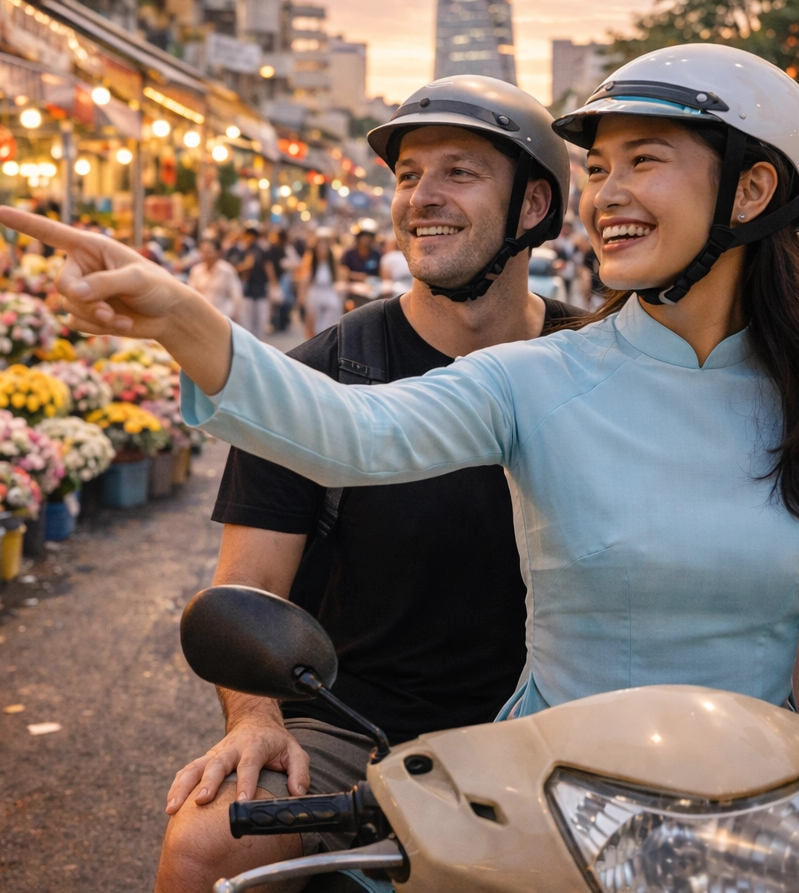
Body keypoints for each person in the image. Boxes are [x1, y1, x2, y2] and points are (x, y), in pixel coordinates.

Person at [0, 42, 799, 843]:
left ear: (751, 192)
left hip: (756, 810)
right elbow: (350, 431)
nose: (606, 195)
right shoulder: (537, 376)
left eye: (645, 162)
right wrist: (184, 317)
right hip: (554, 807)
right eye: (599, 168)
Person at [153, 77, 577, 893]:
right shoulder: (324, 375)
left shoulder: (595, 368)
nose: (422, 197)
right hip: (357, 731)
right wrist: (255, 718)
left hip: (559, 728)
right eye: (408, 175)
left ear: (533, 206)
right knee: (206, 844)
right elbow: (249, 587)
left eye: (459, 172)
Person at [232, 225, 278, 338]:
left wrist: (274, 284)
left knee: (255, 320)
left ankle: (256, 340)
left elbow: (266, 267)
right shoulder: (247, 250)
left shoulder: (256, 250)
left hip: (257, 287)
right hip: (252, 288)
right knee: (253, 320)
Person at [297, 228, 343, 338]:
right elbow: (304, 278)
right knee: (314, 327)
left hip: (330, 293)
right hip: (315, 294)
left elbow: (339, 277)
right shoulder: (310, 258)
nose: (323, 247)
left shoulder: (334, 257)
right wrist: (301, 297)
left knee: (329, 326)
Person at [187, 238, 242, 320]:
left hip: (222, 316)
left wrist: (234, 314)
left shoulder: (227, 270)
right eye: (202, 251)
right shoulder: (196, 270)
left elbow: (236, 295)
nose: (205, 254)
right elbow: (191, 293)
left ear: (218, 252)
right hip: (201, 316)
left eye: (209, 252)